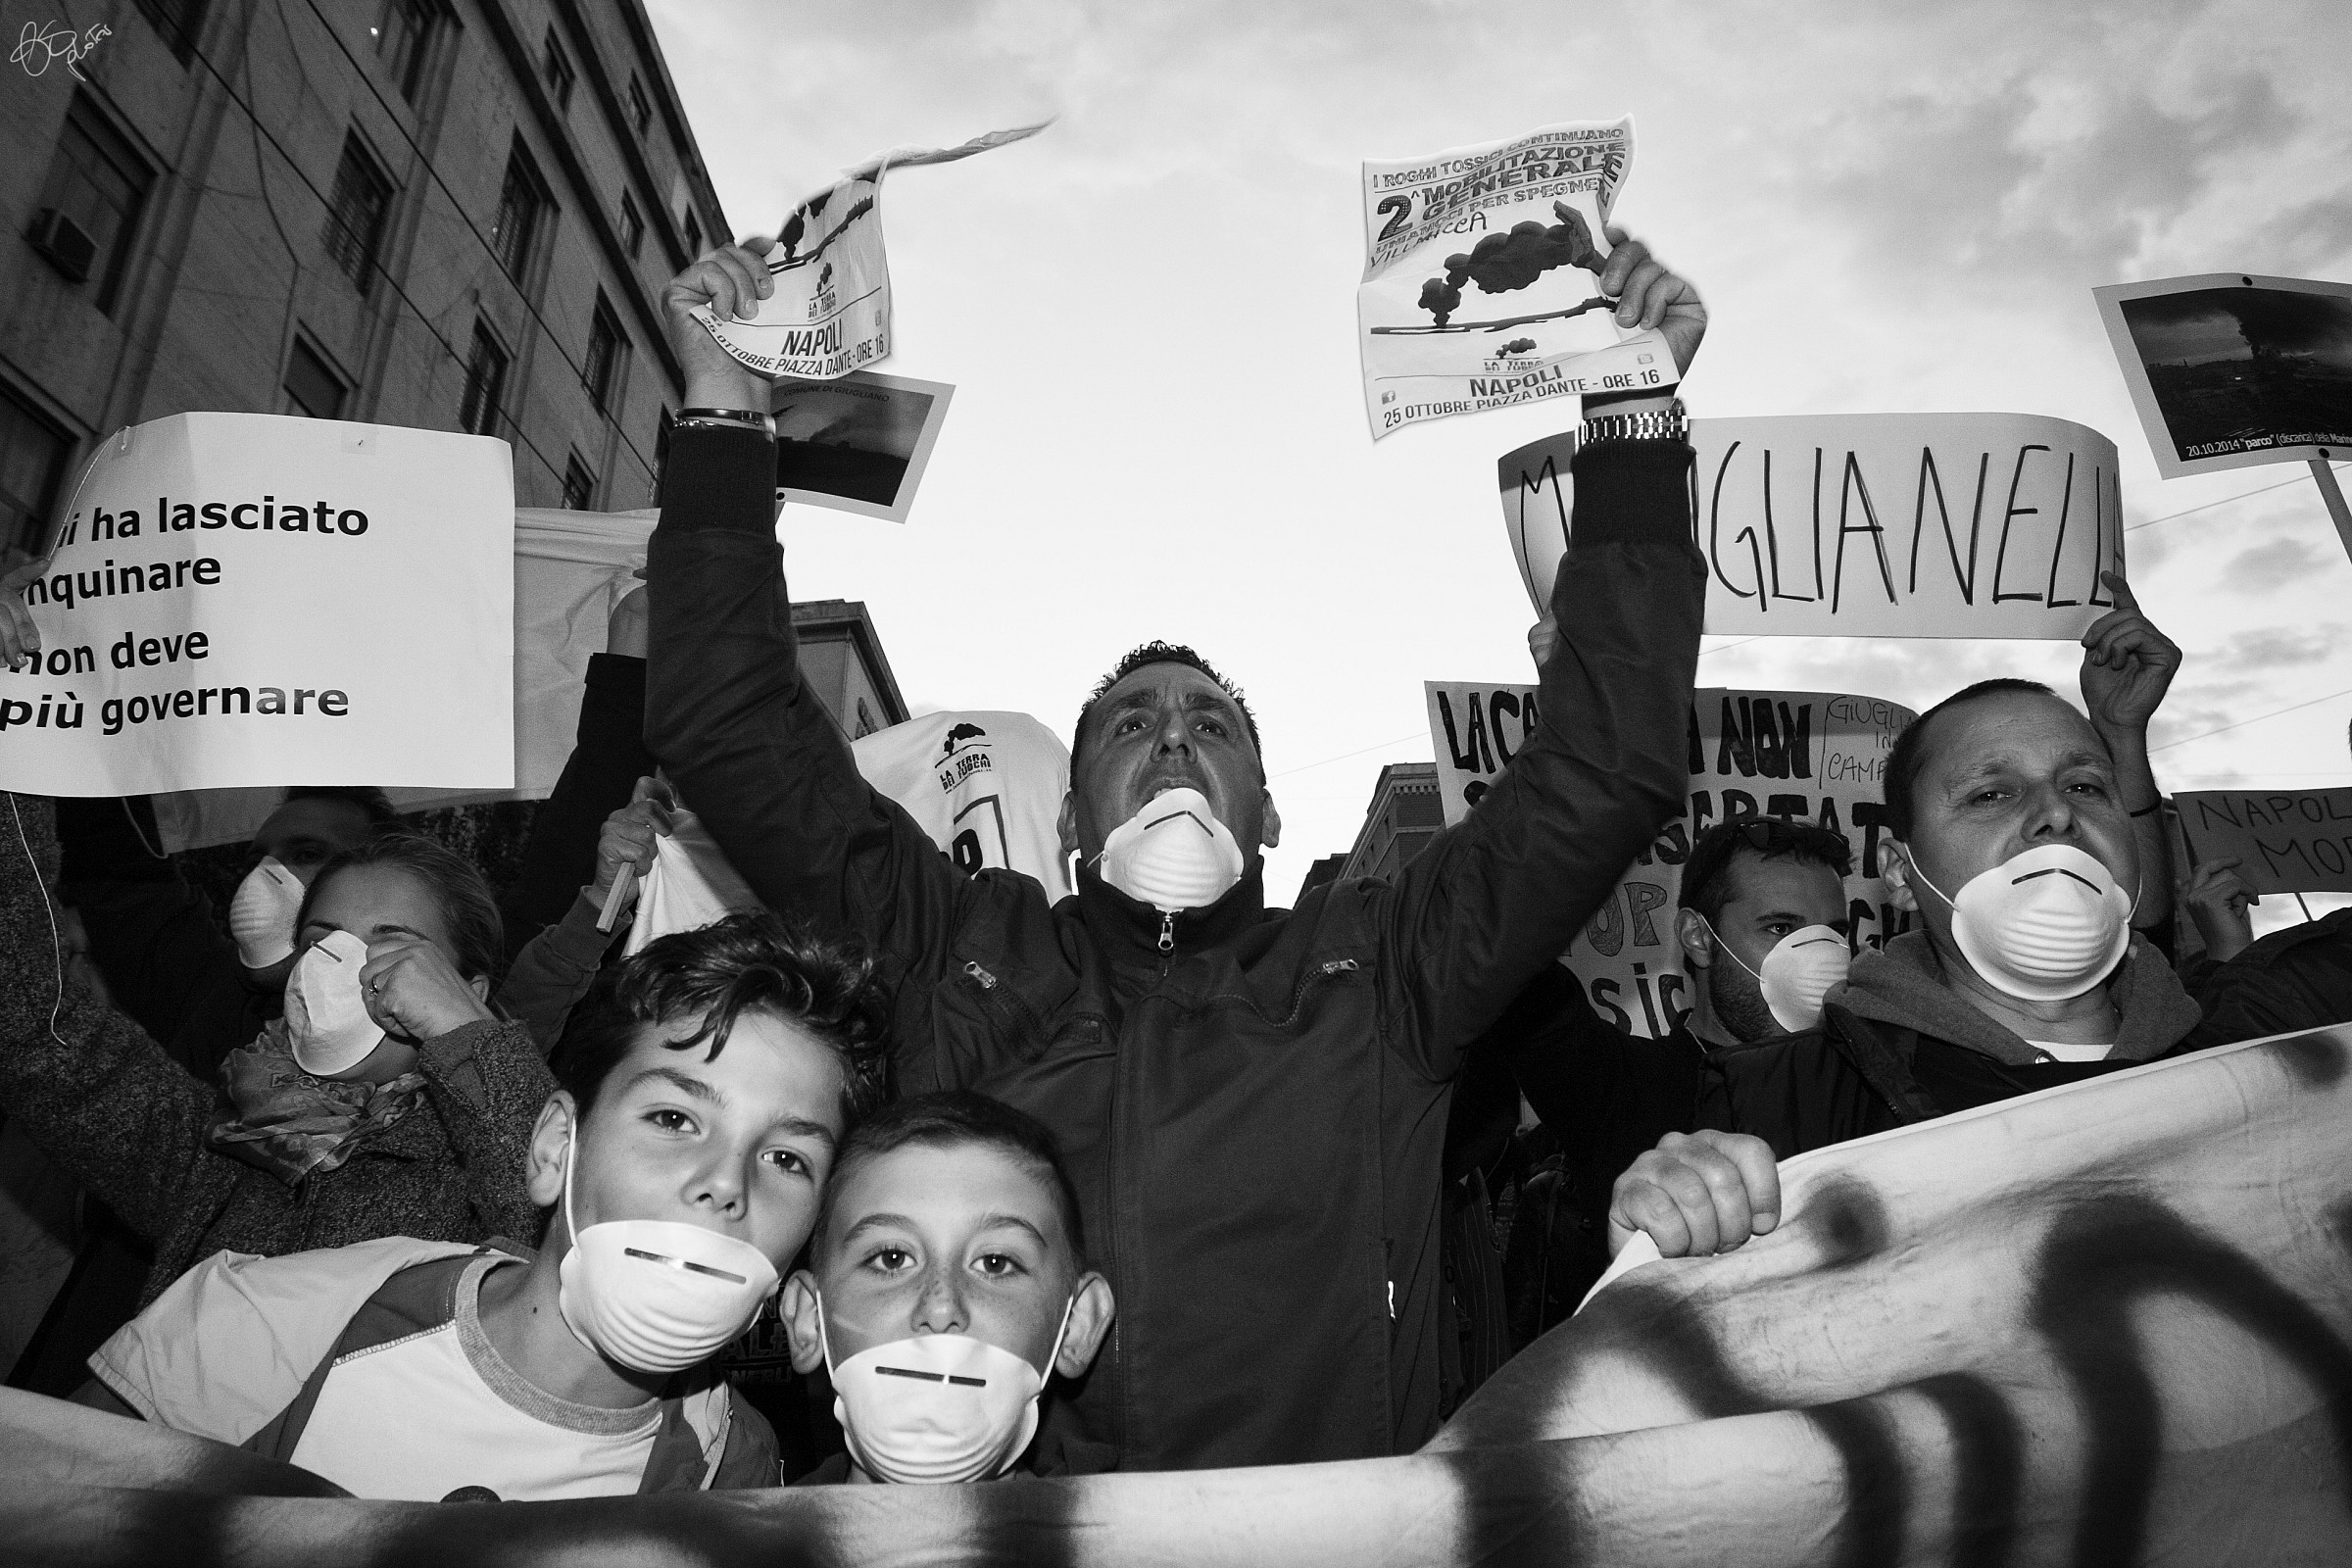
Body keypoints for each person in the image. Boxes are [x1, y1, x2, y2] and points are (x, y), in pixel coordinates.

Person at [642, 231, 1708, 1469]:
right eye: (1129, 726)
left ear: (1266, 813)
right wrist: (723, 416)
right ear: (1071, 824)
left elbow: (1605, 767)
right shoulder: (952, 948)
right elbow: (733, 729)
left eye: (1211, 728)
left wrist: (1633, 415)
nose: (1171, 742)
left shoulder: (1387, 969)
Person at [77, 912, 890, 1500]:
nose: (727, 1182)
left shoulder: (735, 1473)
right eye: (674, 1119)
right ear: (555, 1149)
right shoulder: (263, 1326)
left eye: (787, 1158)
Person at [1622, 595, 2196, 1246]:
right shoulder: (1778, 1104)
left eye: (2086, 786)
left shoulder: (2256, 1038)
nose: (2058, 814)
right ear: (1900, 874)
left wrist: (2123, 736)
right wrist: (1674, 1215)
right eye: (1990, 794)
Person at [0, 795, 554, 1308]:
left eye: (389, 944)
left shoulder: (476, 1173)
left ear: (464, 991)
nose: (339, 963)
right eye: (320, 941)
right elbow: (35, 1030)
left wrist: (469, 1036)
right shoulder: (220, 1151)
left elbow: (553, 1226)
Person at [1478, 817, 1856, 1328]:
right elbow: (1505, 951)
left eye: (1834, 935)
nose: (1821, 961)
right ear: (1699, 938)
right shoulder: (1617, 1085)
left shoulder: (1871, 1086)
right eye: (1780, 929)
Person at [780, 1090, 1116, 1483]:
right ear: (809, 1321)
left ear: (1077, 1325)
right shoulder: (736, 1523)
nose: (940, 1309)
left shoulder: (1142, 1524)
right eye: (892, 1259)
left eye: (995, 1263)